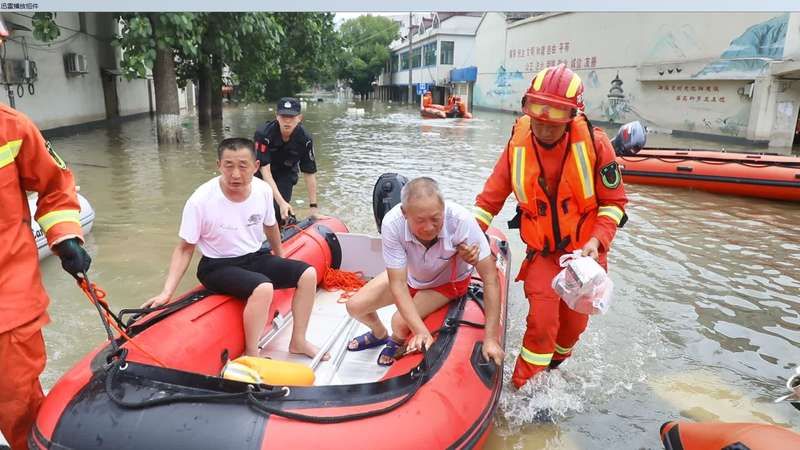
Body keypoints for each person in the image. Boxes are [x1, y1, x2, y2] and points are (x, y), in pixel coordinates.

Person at [471, 64, 628, 389]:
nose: (542, 129)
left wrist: (597, 241)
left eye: (552, 124)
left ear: (571, 117)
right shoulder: (518, 144)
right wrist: (468, 235)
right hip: (542, 254)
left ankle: (553, 370)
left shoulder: (597, 145)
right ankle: (524, 387)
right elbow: (490, 198)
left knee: (572, 328)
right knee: (542, 323)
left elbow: (614, 204)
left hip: (585, 256)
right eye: (537, 121)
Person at [143, 138, 326, 360]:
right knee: (263, 288)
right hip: (216, 265)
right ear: (218, 165)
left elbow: (270, 227)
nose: (236, 174)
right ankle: (252, 354)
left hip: (255, 256)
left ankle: (298, 341)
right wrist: (167, 293)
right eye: (228, 165)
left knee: (307, 274)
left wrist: (281, 258)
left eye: (243, 165)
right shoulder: (200, 200)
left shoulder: (263, 190)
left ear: (256, 166)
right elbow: (184, 249)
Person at [0, 79, 91, 450]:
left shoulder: (13, 129)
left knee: (20, 406)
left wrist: (65, 235)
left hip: (8, 304)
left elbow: (55, 185)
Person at [344, 177, 504, 367]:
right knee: (354, 307)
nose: (429, 228)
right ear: (404, 213)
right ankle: (379, 333)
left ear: (444, 209)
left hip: (446, 283)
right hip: (411, 276)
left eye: (435, 219)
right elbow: (398, 284)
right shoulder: (392, 224)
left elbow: (490, 278)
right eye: (420, 220)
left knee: (399, 323)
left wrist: (491, 338)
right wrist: (420, 331)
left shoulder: (460, 220)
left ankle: (396, 338)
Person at [253, 97, 318, 224]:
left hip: (286, 172)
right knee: (258, 208)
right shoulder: (263, 134)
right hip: (262, 172)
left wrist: (313, 207)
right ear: (276, 116)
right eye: (283, 116)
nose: (287, 121)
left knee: (279, 211)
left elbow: (309, 173)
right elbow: (265, 170)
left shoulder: (305, 139)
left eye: (292, 117)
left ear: (300, 118)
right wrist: (281, 201)